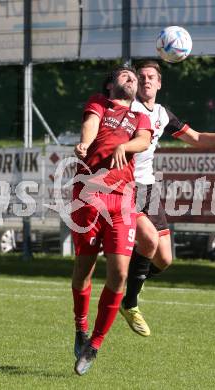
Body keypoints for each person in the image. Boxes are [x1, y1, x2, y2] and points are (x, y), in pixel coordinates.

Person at [119, 60, 215, 337]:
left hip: (148, 189)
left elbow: (197, 138)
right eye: (140, 77)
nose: (145, 81)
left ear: (159, 83)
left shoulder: (162, 114)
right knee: (150, 240)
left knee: (165, 259)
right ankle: (129, 301)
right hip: (124, 186)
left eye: (150, 77)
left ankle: (129, 288)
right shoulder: (125, 109)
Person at [71, 65, 152, 375]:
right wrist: (85, 143)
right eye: (123, 74)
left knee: (119, 273)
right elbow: (91, 125)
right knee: (83, 271)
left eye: (133, 75)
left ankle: (94, 344)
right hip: (88, 197)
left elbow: (143, 140)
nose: (130, 77)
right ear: (109, 86)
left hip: (121, 202)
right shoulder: (98, 103)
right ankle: (80, 327)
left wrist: (124, 145)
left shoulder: (139, 115)